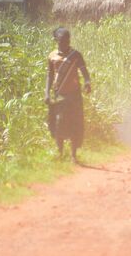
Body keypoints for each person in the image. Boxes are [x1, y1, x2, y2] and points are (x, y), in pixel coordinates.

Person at [45, 28, 91, 162]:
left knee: (75, 123)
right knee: (58, 123)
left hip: (74, 95)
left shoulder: (76, 55)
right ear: (56, 41)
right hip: (58, 95)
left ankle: (73, 155)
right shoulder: (52, 56)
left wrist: (87, 82)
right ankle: (60, 153)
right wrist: (46, 93)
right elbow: (49, 75)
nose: (65, 43)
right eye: (62, 41)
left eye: (67, 41)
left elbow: (84, 71)